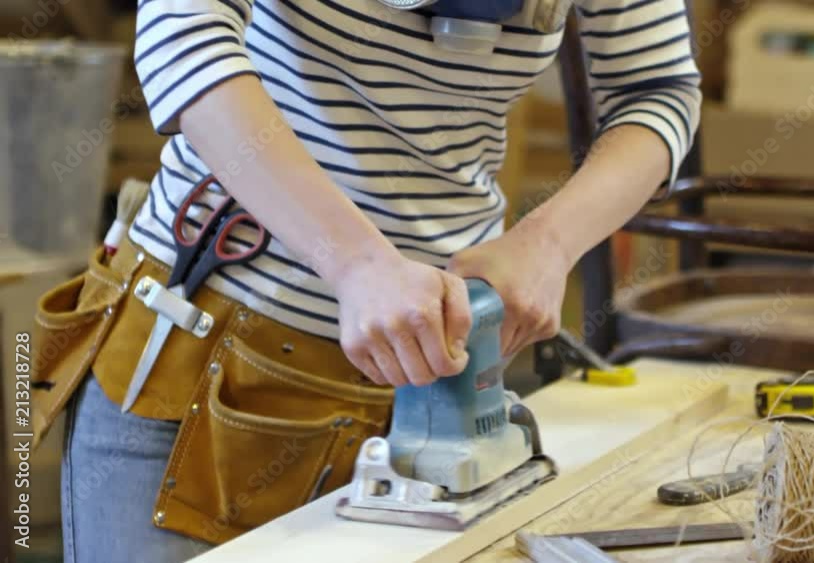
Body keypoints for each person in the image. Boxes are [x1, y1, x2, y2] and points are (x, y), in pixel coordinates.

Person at [47, 0, 701, 561]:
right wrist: (354, 262)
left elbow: (660, 88)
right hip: (202, 365)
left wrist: (547, 243)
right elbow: (183, 33)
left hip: (435, 382)